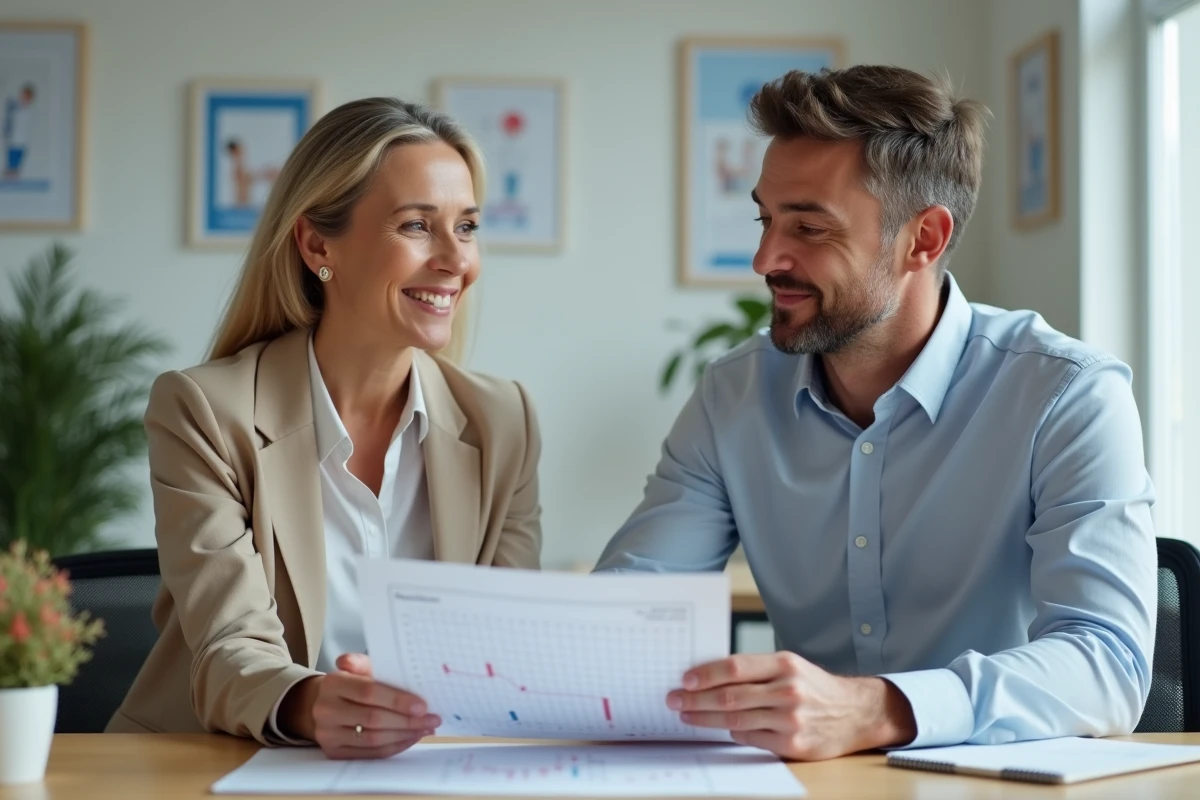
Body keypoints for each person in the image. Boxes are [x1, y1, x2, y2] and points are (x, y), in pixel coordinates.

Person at [596, 66, 1157, 761]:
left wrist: (878, 708)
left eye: (809, 227)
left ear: (924, 238)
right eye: (766, 220)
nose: (765, 259)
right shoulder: (733, 395)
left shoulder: (1066, 394)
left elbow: (1108, 664)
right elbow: (627, 613)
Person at [108, 98, 543, 760]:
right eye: (417, 225)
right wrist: (313, 703)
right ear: (317, 245)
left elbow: (508, 645)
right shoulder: (205, 410)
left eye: (467, 226)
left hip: (429, 768)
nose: (457, 260)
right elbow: (228, 648)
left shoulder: (503, 421)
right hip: (217, 764)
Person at [3, 83, 35, 180]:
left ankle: (14, 174)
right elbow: (8, 121)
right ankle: (10, 174)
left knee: (18, 162)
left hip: (23, 140)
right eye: (24, 95)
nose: (25, 98)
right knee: (11, 160)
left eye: (27, 97)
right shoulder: (15, 107)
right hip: (13, 139)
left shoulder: (30, 110)